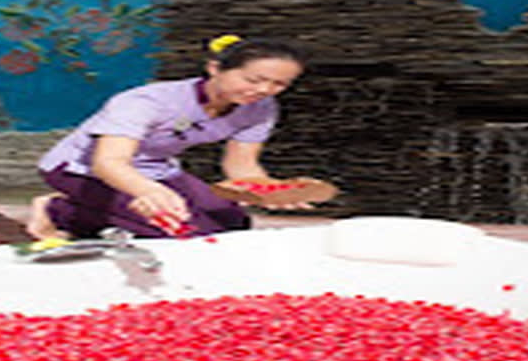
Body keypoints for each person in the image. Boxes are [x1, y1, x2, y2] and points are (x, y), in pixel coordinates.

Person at [28, 34, 315, 240]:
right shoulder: (149, 101)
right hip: (83, 170)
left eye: (279, 84)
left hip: (156, 169)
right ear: (214, 68)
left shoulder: (261, 107)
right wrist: (148, 191)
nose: (264, 90)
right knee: (185, 231)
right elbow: (108, 162)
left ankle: (101, 209)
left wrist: (269, 191)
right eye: (253, 80)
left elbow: (241, 165)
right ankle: (58, 210)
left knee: (232, 223)